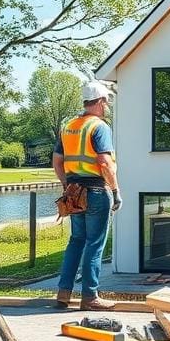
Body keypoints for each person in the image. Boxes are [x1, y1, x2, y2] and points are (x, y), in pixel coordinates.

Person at [53, 80, 122, 311]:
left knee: (76, 241)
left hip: (74, 192)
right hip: (95, 191)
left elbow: (57, 161)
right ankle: (90, 297)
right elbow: (104, 162)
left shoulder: (69, 126)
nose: (107, 106)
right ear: (101, 102)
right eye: (107, 102)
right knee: (94, 243)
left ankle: (63, 293)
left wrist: (66, 184)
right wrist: (115, 190)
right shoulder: (99, 127)